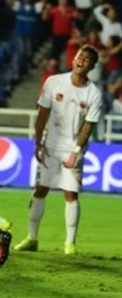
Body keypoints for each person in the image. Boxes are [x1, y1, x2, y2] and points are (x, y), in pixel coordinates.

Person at [14, 45, 103, 255]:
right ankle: (32, 238)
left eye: (87, 59)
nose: (82, 59)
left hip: (74, 148)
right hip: (50, 145)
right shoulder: (54, 82)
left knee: (71, 194)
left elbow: (87, 127)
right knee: (40, 189)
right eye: (80, 55)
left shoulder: (94, 94)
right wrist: (38, 142)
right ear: (73, 59)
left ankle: (70, 244)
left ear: (92, 66)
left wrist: (75, 151)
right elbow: (42, 114)